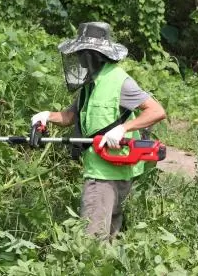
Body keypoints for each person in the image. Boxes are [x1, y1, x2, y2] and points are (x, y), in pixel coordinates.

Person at [31, 22, 166, 240]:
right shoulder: (90, 84)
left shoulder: (119, 81)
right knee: (109, 238)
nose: (80, 59)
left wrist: (123, 128)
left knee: (91, 242)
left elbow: (157, 111)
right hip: (105, 168)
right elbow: (70, 117)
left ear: (94, 55)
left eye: (82, 53)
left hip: (106, 175)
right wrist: (47, 115)